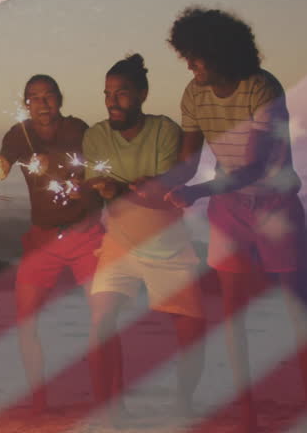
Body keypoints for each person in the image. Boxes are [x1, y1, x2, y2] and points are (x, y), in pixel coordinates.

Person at [159, 7, 307, 432]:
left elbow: (253, 168)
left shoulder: (262, 89)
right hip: (228, 207)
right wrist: (154, 187)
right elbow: (187, 163)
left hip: (274, 205)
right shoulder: (194, 94)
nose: (189, 66)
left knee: (297, 308)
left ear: (220, 52)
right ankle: (247, 415)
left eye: (195, 57)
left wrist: (195, 192)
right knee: (233, 314)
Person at [82, 54, 206, 424]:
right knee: (101, 321)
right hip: (119, 244)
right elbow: (97, 188)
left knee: (191, 331)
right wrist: (105, 192)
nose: (112, 101)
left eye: (121, 93)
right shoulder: (96, 136)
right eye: (107, 94)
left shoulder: (164, 131)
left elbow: (161, 192)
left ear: (142, 94)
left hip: (168, 245)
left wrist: (120, 189)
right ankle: (111, 409)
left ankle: (183, 402)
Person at [0, 74, 103, 413]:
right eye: (34, 97)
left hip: (85, 234)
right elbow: (4, 159)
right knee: (25, 320)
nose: (42, 103)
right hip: (42, 238)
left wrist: (52, 160)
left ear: (60, 98)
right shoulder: (19, 134)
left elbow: (92, 167)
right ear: (26, 104)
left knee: (103, 318)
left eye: (48, 95)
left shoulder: (77, 129)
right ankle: (39, 402)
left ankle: (106, 400)